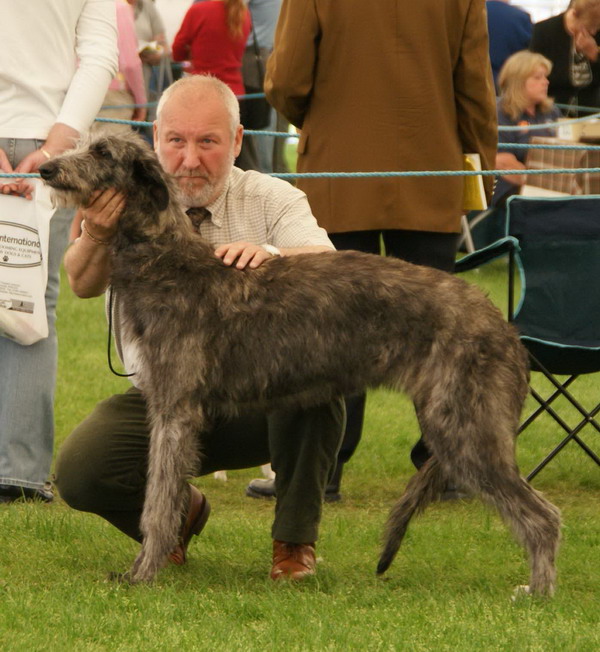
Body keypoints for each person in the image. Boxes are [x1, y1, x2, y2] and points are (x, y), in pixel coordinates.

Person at [54, 75, 344, 581]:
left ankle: (293, 543)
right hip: (161, 395)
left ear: (236, 141)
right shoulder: (122, 196)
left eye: (208, 141)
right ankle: (179, 516)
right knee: (82, 470)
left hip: (253, 397)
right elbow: (80, 283)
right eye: (177, 141)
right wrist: (97, 233)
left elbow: (328, 261)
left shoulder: (271, 197)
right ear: (156, 139)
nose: (190, 159)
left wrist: (273, 253)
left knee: (315, 383)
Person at [252, 0, 497, 502]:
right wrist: (482, 164)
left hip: (340, 174)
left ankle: (323, 469)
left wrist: (327, 119)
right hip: (431, 173)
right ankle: (446, 466)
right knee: (438, 331)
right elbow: (474, 84)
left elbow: (287, 81)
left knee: (328, 334)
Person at [0, 1, 118, 504]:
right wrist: (56, 145)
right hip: (47, 135)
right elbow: (99, 59)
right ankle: (20, 471)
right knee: (27, 301)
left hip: (35, 139)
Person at [494, 50, 562, 206]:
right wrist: (542, 185)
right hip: (512, 192)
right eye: (538, 77)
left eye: (545, 77)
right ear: (517, 81)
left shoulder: (552, 112)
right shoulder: (500, 113)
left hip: (552, 191)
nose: (546, 82)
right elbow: (503, 163)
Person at [530, 0, 600, 114]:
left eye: (597, 27)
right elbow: (533, 74)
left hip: (591, 112)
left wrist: (595, 55)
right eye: (589, 26)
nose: (593, 31)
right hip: (551, 110)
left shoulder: (597, 33)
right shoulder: (543, 31)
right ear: (573, 15)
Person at [94, 1, 147, 134]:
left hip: (77, 89)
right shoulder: (119, 7)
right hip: (113, 92)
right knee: (111, 150)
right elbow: (129, 64)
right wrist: (141, 102)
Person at [486, 0, 533, 90]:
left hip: (473, 79)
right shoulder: (520, 17)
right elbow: (529, 53)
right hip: (507, 83)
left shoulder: (476, 13)